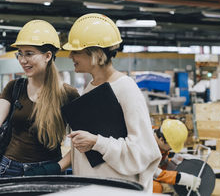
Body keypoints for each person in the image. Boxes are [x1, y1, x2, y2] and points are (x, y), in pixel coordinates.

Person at [61, 13, 162, 192]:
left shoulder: (126, 88)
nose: (70, 56)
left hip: (116, 190)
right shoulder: (91, 87)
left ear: (96, 54)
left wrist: (97, 142)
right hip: (92, 188)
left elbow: (143, 152)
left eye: (76, 51)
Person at [0, 20, 79, 178]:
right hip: (10, 169)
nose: (22, 60)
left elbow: (81, 141)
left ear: (47, 56)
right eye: (20, 53)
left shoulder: (68, 95)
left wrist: (58, 167)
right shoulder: (15, 87)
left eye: (29, 53)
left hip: (49, 171)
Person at [153, 119, 201, 194]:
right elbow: (152, 172)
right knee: (156, 188)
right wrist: (181, 178)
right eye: (171, 146)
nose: (171, 149)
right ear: (162, 140)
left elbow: (162, 162)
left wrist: (172, 164)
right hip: (133, 176)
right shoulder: (146, 148)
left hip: (146, 170)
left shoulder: (162, 134)